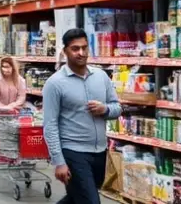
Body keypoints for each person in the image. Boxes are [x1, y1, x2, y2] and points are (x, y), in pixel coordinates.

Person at [43, 28, 122, 204]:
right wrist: (59, 161)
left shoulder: (101, 76)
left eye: (84, 48)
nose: (81, 53)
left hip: (100, 152)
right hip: (73, 152)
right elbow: (50, 125)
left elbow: (118, 108)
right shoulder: (54, 84)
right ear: (65, 51)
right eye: (75, 48)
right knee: (91, 201)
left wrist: (105, 110)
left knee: (76, 197)